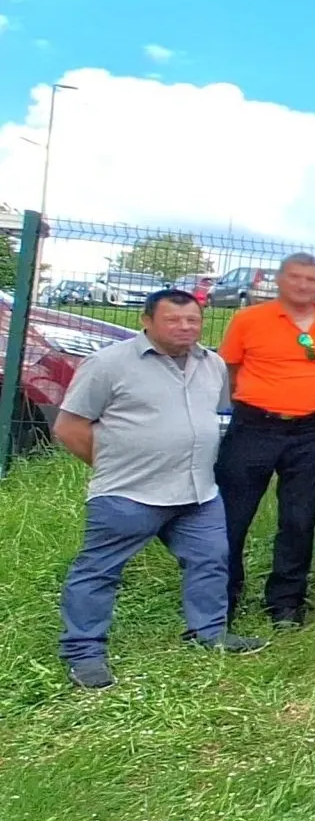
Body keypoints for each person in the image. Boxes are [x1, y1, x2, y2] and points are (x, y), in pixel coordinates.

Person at [54, 290, 264, 688]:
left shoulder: (212, 364)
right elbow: (69, 427)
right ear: (146, 321)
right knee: (99, 571)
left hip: (197, 493)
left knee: (211, 560)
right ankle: (84, 654)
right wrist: (114, 466)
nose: (185, 328)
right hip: (128, 494)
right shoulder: (108, 364)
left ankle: (208, 633)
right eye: (173, 320)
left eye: (193, 320)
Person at [218, 252, 315, 624]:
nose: (302, 285)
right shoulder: (249, 320)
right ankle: (223, 595)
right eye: (295, 277)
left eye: (311, 280)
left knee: (299, 518)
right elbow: (231, 370)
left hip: (310, 431)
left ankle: (285, 601)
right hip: (254, 426)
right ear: (279, 280)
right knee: (234, 515)